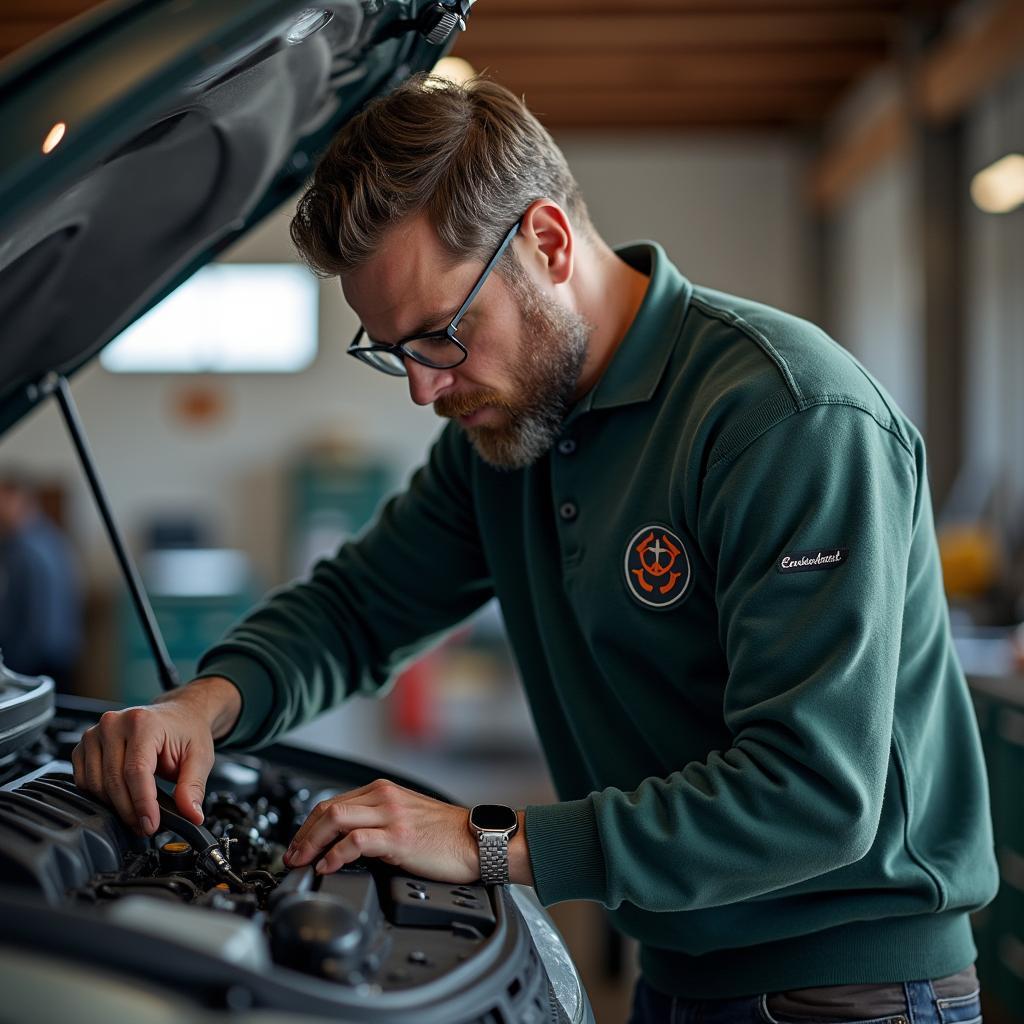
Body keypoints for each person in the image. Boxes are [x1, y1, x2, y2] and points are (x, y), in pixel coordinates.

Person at [72, 76, 997, 1023]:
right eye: (393, 352)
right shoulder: (508, 438)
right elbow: (358, 609)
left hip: (857, 992)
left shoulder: (788, 419)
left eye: (440, 335)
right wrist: (201, 704)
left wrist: (479, 841)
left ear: (547, 243)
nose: (424, 393)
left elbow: (810, 794)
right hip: (677, 973)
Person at [0, 468, 81, 691]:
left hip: (36, 659)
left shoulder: (25, 548)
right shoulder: (51, 536)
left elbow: (33, 616)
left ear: (19, 499)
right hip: (59, 651)